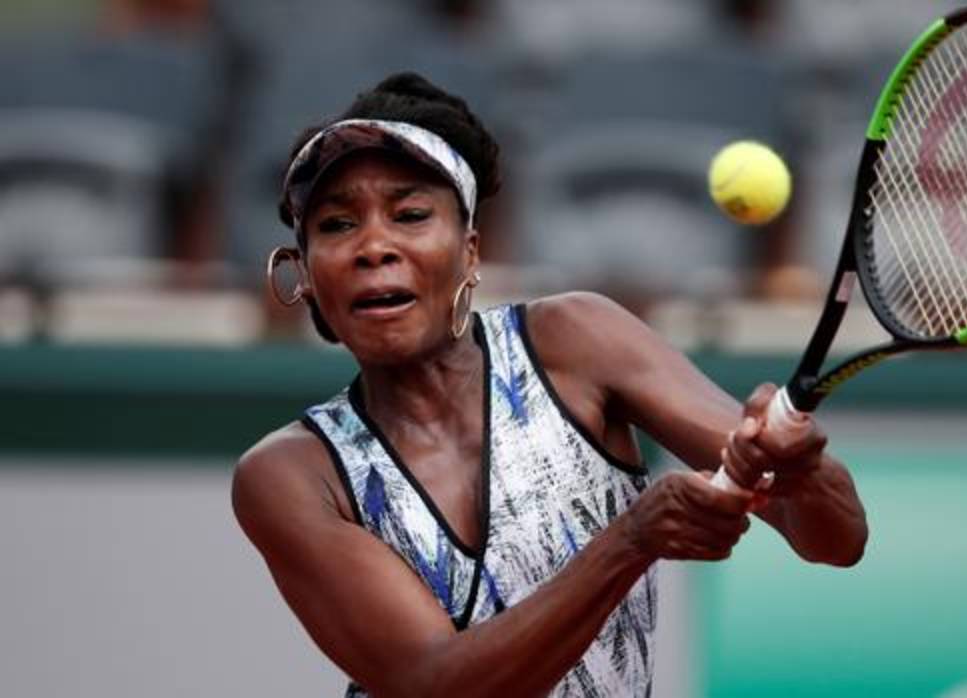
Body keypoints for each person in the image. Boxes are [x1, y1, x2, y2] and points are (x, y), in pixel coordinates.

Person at [232, 72, 868, 698]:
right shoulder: (291, 475)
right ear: (306, 274)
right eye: (337, 225)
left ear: (471, 250)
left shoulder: (574, 340)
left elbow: (836, 539)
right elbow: (432, 685)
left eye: (411, 214)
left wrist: (802, 474)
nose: (374, 245)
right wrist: (630, 541)